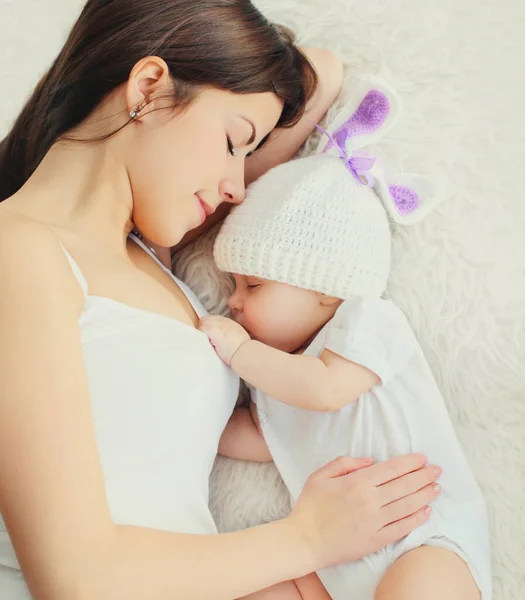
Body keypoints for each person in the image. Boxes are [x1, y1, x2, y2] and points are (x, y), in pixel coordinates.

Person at [0, 1, 442, 598]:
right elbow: (77, 577)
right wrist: (308, 539)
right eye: (236, 143)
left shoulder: (151, 258)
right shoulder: (20, 251)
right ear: (149, 87)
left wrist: (250, 90)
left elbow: (323, 72)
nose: (240, 185)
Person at [198, 109, 491, 599]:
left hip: (421, 537)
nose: (233, 299)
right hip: (332, 561)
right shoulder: (276, 382)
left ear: (326, 291)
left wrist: (240, 351)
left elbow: (325, 390)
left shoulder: (368, 323)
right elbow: (258, 438)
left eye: (253, 283)